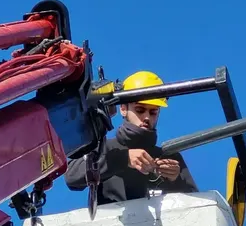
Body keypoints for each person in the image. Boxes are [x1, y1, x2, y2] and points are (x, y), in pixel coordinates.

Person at [65, 70, 199, 205]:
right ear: (123, 109)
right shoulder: (104, 148)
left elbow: (198, 209)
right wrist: (123, 158)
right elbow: (71, 176)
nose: (147, 117)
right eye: (140, 110)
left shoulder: (170, 157)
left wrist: (176, 181)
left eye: (153, 112)